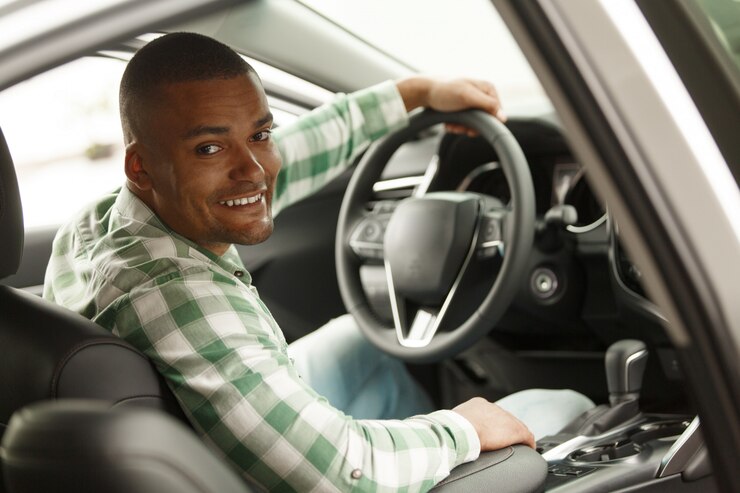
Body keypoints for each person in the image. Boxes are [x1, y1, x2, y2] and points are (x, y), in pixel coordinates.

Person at [44, 32, 593, 491]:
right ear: (141, 167)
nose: (254, 170)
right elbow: (338, 474)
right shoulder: (176, 292)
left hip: (201, 437)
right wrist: (461, 432)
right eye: (210, 148)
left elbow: (297, 150)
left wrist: (415, 92)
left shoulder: (99, 222)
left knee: (362, 339)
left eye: (260, 134)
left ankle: (407, 452)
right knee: (562, 404)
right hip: (302, 475)